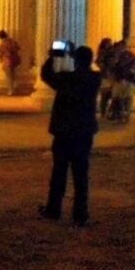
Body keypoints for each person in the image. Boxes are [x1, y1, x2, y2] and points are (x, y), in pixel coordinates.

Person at [40, 44, 102, 226]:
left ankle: (54, 209)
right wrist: (75, 55)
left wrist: (54, 56)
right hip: (84, 132)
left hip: (64, 131)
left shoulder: (68, 79)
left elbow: (46, 75)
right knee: (81, 175)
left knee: (59, 173)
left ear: (75, 59)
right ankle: (80, 214)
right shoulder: (94, 79)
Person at [0, 31, 23, 95]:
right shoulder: (13, 41)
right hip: (15, 60)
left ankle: (11, 90)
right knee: (14, 75)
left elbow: (0, 53)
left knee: (9, 76)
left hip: (7, 60)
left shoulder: (3, 44)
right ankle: (15, 87)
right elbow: (18, 48)